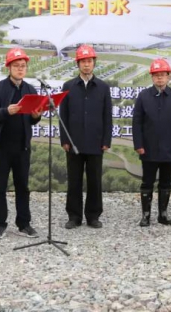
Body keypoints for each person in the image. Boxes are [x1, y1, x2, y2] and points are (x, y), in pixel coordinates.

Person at [0, 47, 43, 239]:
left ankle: (24, 224)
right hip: (1, 147)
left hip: (22, 147)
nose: (20, 69)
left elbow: (32, 120)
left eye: (23, 65)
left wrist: (36, 116)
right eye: (16, 65)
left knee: (22, 187)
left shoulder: (30, 89)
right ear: (8, 67)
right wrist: (6, 111)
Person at [59, 45, 112, 230]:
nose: (86, 65)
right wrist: (64, 140)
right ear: (78, 64)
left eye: (89, 61)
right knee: (74, 181)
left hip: (96, 142)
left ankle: (93, 216)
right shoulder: (68, 87)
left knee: (94, 181)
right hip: (73, 142)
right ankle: (74, 216)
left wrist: (106, 140)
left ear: (94, 63)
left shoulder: (103, 87)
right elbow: (63, 116)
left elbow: (107, 116)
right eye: (83, 61)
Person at [132, 58, 171, 227]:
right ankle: (146, 216)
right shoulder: (143, 96)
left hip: (169, 149)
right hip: (148, 149)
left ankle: (163, 215)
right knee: (147, 182)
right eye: (156, 75)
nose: (160, 78)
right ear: (152, 77)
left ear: (168, 76)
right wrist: (138, 145)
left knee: (166, 182)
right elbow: (137, 123)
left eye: (163, 75)